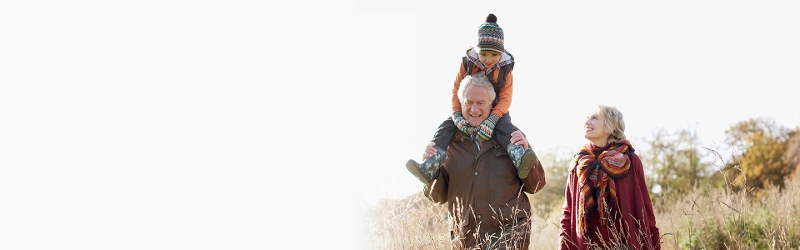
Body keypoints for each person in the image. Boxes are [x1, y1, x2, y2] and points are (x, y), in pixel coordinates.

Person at [417, 73, 546, 249]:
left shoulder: (511, 137)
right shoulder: (447, 144)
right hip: (466, 239)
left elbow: (536, 185)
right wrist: (431, 172)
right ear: (460, 104)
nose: (474, 109)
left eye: (480, 103)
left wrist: (527, 154)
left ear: (492, 105)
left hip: (509, 236)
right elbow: (437, 196)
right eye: (468, 102)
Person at [406, 13, 537, 186]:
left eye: (494, 55)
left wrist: (493, 119)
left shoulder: (506, 69)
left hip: (497, 110)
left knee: (507, 129)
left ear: (502, 53)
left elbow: (506, 97)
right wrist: (456, 114)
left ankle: (518, 156)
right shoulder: (468, 63)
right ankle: (430, 165)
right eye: (484, 54)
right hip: (464, 109)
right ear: (477, 51)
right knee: (445, 129)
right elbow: (456, 90)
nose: (489, 60)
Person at [558, 105, 660, 249]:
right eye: (587, 118)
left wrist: (654, 245)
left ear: (611, 126)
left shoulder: (629, 160)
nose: (587, 122)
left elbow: (646, 211)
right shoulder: (580, 164)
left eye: (594, 118)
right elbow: (567, 213)